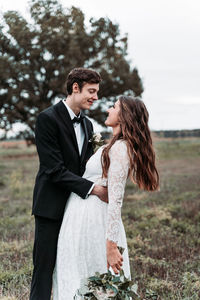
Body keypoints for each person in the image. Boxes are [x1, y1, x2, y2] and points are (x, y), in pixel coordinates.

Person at [53, 95, 159, 299]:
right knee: (78, 275)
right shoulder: (113, 145)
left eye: (114, 107)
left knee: (92, 280)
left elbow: (115, 199)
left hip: (95, 222)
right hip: (80, 218)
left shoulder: (121, 149)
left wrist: (111, 246)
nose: (109, 110)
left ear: (123, 116)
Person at [30, 68, 108, 300]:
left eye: (96, 92)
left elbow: (86, 167)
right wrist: (93, 189)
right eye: (91, 91)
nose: (95, 97)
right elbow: (53, 170)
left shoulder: (88, 125)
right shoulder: (47, 119)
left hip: (78, 209)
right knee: (44, 268)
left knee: (73, 265)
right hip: (51, 207)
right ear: (75, 87)